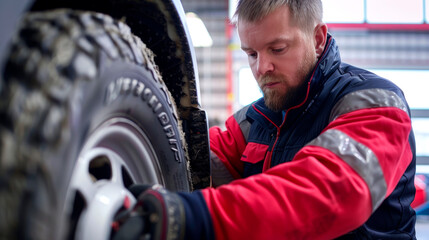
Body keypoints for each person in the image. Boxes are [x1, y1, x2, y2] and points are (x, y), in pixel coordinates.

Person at [114, 0, 417, 239]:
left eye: (277, 49)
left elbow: (325, 192)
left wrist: (192, 217)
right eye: (251, 53)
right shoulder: (252, 121)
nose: (262, 68)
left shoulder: (376, 104)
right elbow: (185, 162)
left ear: (318, 38)